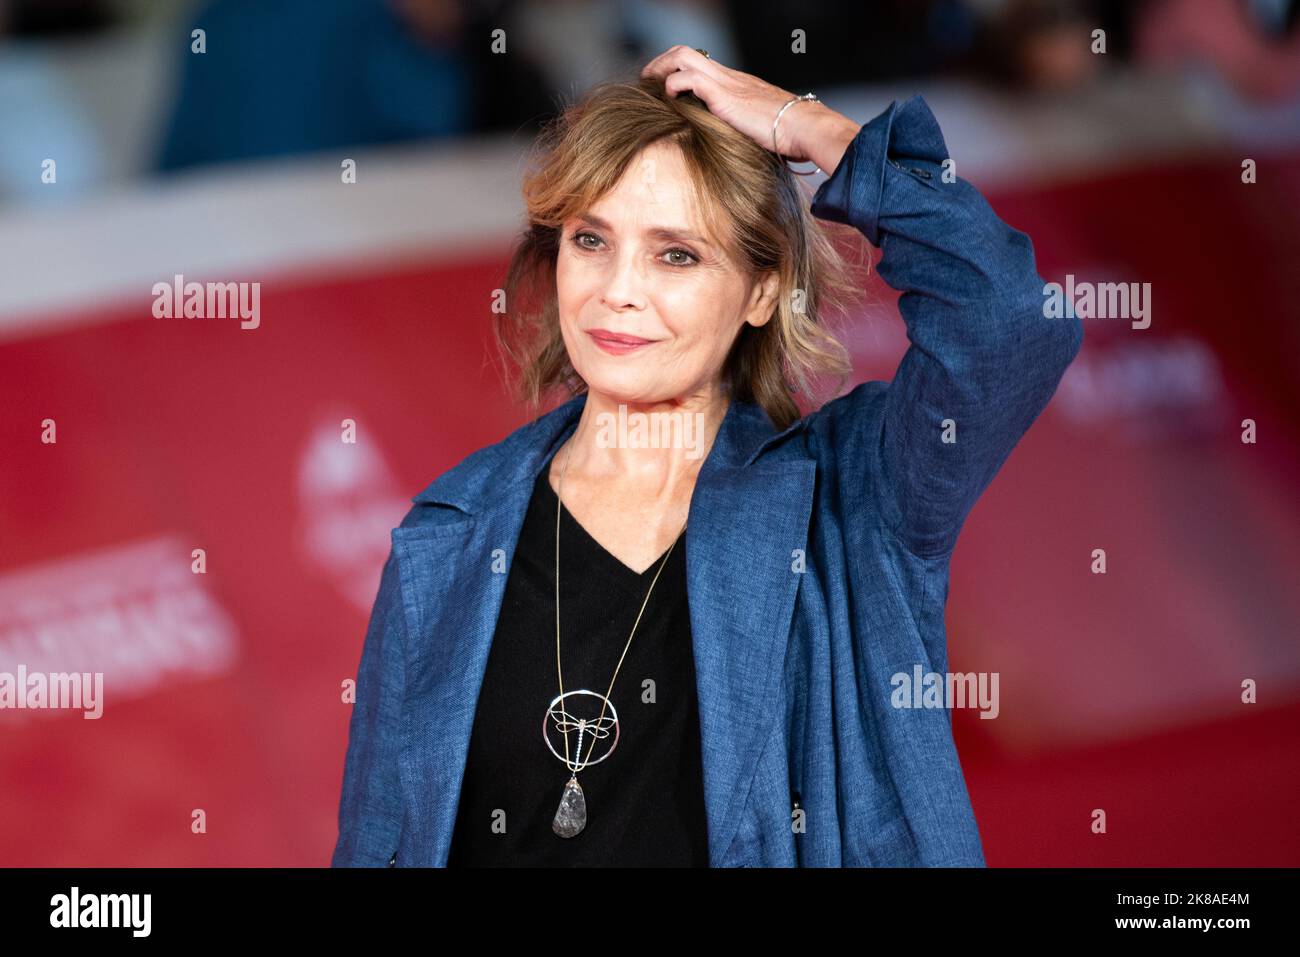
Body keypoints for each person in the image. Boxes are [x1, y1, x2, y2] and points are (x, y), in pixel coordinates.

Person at [331, 46, 1083, 867]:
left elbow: (1007, 320)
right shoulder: (449, 535)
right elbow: (378, 845)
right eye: (591, 240)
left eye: (676, 254)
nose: (618, 289)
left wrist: (815, 129)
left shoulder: (853, 499)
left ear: (764, 290)